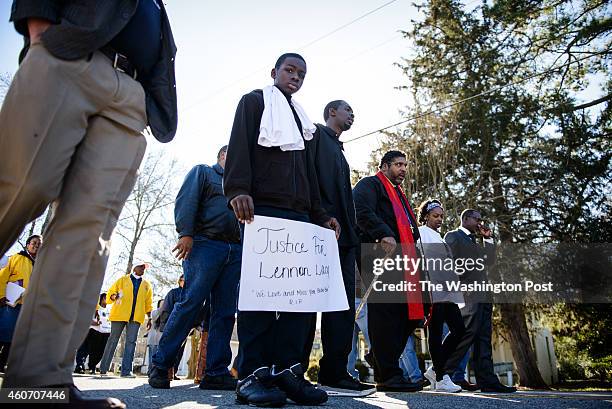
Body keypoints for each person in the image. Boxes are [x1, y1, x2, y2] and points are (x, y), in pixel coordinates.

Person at [0, 1, 177, 407]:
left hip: (130, 96)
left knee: (87, 236)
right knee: (19, 189)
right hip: (69, 58)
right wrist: (41, 32)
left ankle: (38, 385)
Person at [224, 53, 340, 407]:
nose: (296, 77)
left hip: (301, 215)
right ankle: (251, 376)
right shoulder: (255, 102)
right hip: (264, 210)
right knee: (261, 295)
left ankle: (288, 372)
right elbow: (239, 146)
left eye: (302, 73)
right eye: (290, 70)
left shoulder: (303, 121)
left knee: (299, 298)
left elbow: (308, 175)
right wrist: (238, 190)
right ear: (274, 72)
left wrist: (320, 214)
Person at [148, 145, 242, 391]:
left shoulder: (241, 184)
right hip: (205, 244)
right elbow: (187, 200)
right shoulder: (204, 173)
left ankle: (216, 372)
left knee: (224, 312)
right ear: (222, 155)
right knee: (190, 303)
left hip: (234, 249)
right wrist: (185, 233)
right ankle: (160, 364)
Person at [302, 100, 374, 395]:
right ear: (331, 112)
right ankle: (294, 370)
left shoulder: (340, 150)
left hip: (344, 239)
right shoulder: (316, 136)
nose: (352, 114)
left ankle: (334, 372)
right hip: (318, 231)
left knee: (341, 308)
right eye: (347, 110)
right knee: (307, 305)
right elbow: (308, 180)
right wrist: (320, 216)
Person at [353, 150, 424, 392]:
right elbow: (360, 210)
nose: (403, 169)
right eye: (397, 164)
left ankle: (380, 357)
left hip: (405, 260)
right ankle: (388, 375)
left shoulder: (399, 195)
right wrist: (382, 231)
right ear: (384, 167)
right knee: (386, 316)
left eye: (405, 165)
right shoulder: (370, 185)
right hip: (377, 253)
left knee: (412, 315)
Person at [444, 209, 517, 393]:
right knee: (465, 334)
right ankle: (441, 372)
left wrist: (488, 239)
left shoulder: (475, 241)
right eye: (477, 219)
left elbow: (489, 261)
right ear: (466, 218)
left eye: (481, 219)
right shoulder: (453, 236)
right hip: (468, 294)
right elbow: (448, 262)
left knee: (483, 338)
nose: (479, 222)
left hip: (484, 294)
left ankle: (487, 381)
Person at [415, 199, 465, 392]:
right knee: (435, 334)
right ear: (426, 216)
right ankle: (442, 377)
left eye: (441, 216)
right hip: (433, 291)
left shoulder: (439, 237)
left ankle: (436, 370)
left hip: (448, 291)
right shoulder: (421, 233)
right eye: (436, 216)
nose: (440, 219)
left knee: (459, 329)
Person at [100, 263, 153, 377]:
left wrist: (150, 317)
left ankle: (126, 371)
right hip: (119, 314)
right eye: (141, 267)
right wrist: (113, 296)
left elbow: (148, 303)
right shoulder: (122, 280)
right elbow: (111, 292)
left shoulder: (147, 285)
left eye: (145, 268)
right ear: (135, 268)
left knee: (131, 342)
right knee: (113, 340)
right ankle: (104, 369)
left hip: (136, 317)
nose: (143, 269)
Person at [0, 234, 41, 372]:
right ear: (28, 244)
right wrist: (1, 295)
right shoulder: (16, 258)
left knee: (16, 336)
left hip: (28, 306)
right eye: (34, 242)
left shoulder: (41, 265)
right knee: (4, 331)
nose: (36, 245)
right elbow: (3, 276)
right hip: (11, 303)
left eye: (39, 244)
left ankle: (2, 363)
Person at [157, 274, 186, 380]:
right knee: (169, 349)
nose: (184, 282)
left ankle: (174, 372)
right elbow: (166, 309)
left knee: (180, 351)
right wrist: (165, 325)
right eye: (182, 280)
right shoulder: (173, 293)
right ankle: (164, 372)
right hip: (171, 325)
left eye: (186, 280)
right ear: (179, 281)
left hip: (184, 327)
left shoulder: (190, 294)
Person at [76, 293, 112, 375]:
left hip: (105, 333)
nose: (107, 300)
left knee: (99, 352)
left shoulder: (109, 310)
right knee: (85, 349)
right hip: (92, 331)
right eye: (105, 298)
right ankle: (80, 366)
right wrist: (95, 323)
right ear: (102, 299)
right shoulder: (95, 308)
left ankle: (92, 367)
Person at [147, 299, 165, 370]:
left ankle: (155, 373)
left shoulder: (166, 315)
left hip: (161, 341)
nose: (163, 306)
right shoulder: (155, 313)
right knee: (151, 359)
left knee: (158, 361)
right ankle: (150, 372)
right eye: (161, 304)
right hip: (153, 341)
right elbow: (154, 316)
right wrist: (161, 308)